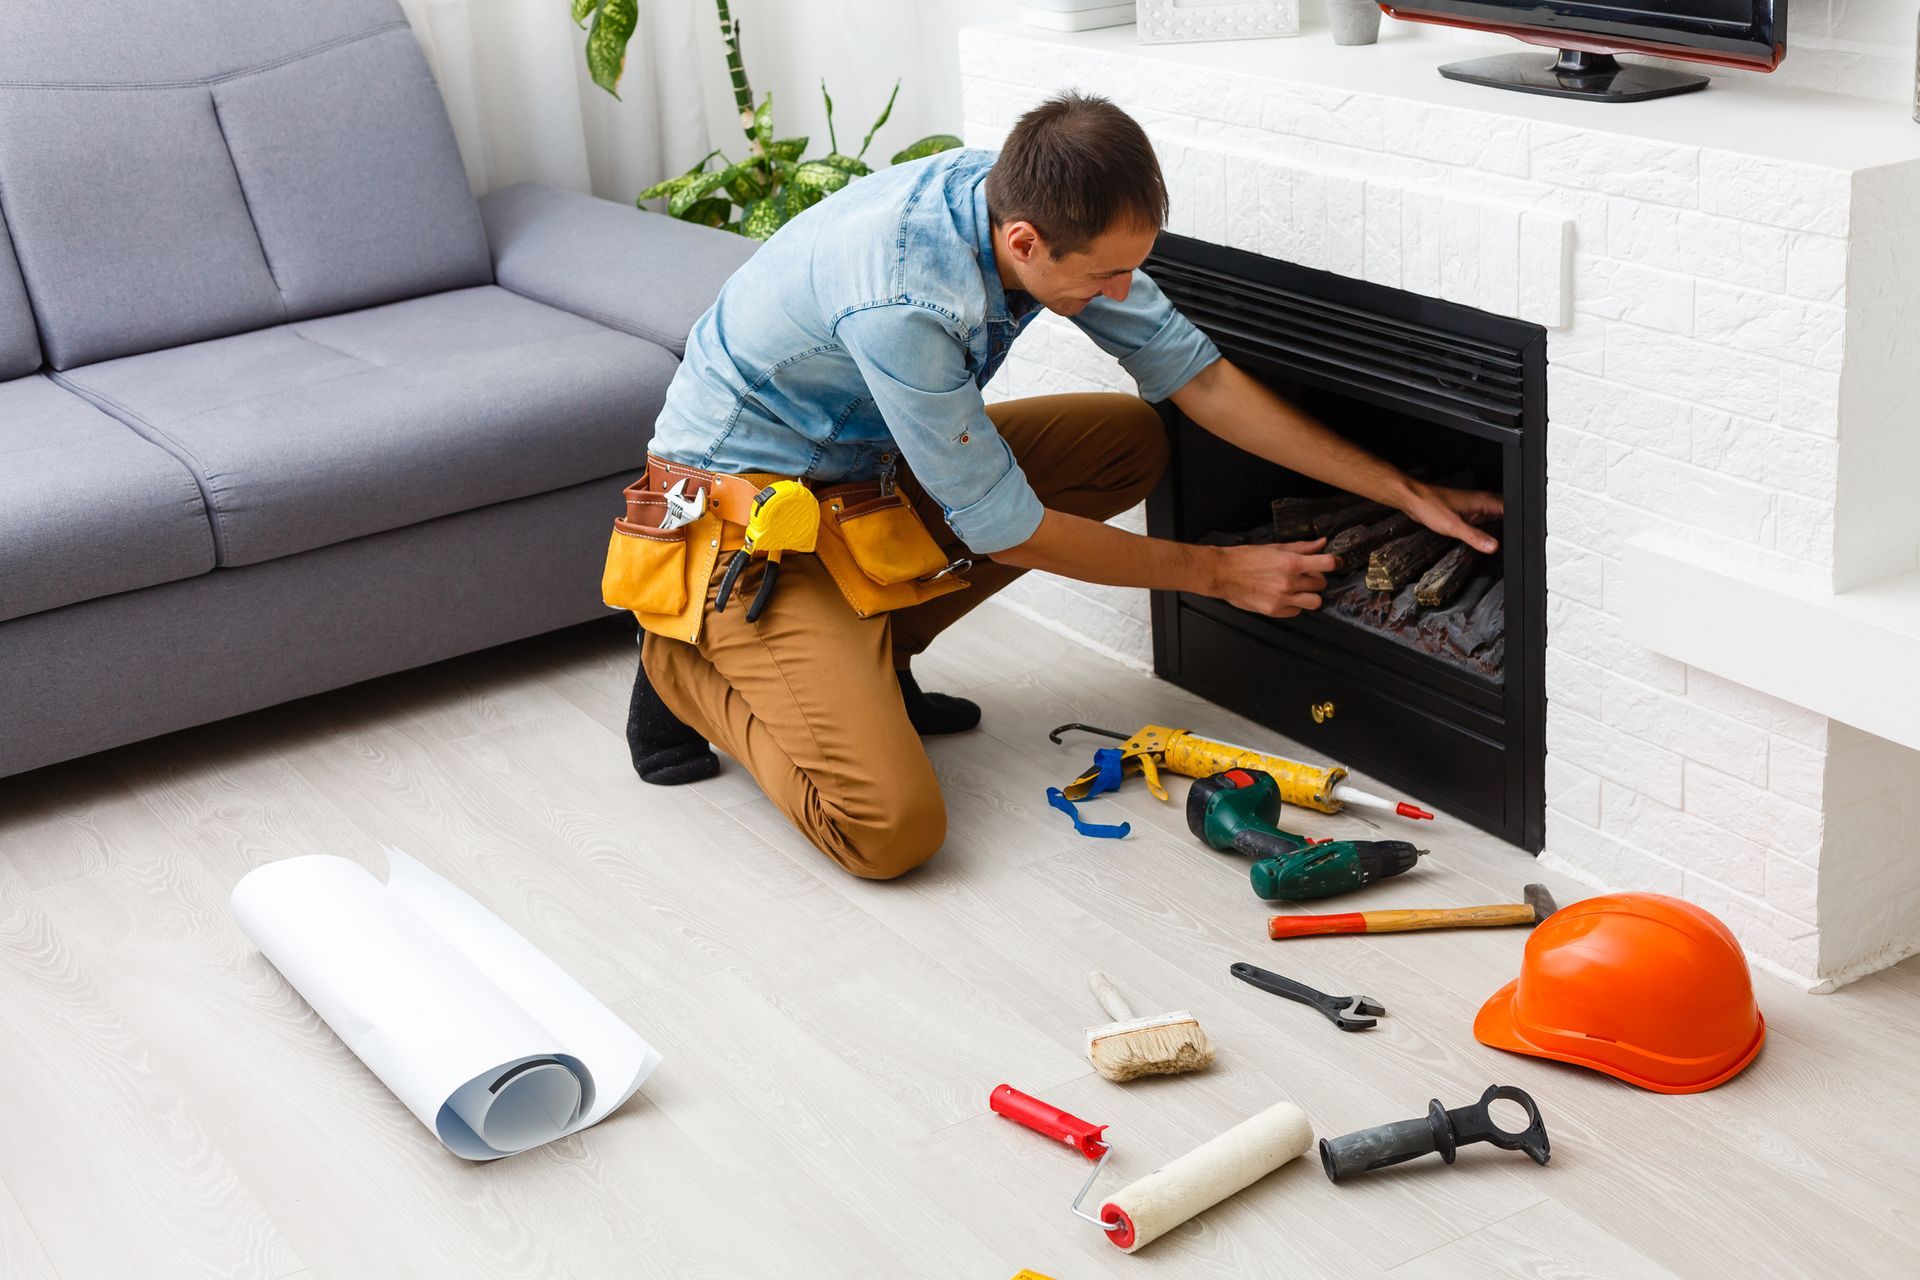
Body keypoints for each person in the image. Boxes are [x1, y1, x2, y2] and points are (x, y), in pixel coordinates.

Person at [618, 92, 1501, 880]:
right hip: (747, 529)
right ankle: (681, 664)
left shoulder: (1020, 195)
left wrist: (1403, 490)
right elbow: (1005, 527)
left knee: (1122, 441)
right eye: (1105, 278)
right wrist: (1219, 573)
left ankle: (872, 656)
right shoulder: (903, 302)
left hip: (860, 485)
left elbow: (1197, 379)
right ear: (1025, 243)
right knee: (891, 832)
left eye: (1131, 267)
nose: (1122, 293)